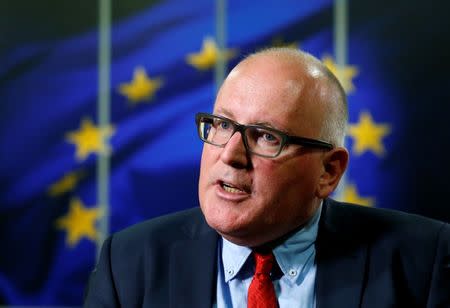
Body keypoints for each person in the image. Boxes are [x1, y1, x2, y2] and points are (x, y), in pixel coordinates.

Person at [84, 48, 449, 308]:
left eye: (266, 137)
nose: (230, 154)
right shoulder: (129, 264)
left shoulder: (423, 260)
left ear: (329, 171)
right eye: (223, 125)